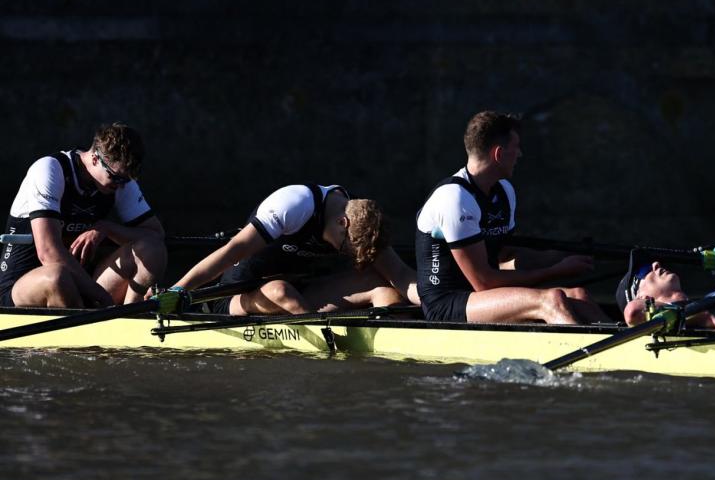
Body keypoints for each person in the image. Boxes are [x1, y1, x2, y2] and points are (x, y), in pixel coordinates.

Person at [415, 110, 608, 324]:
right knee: (551, 300)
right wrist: (556, 271)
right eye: (516, 148)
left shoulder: (504, 191)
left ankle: (624, 345)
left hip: (482, 297)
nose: (520, 154)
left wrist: (558, 256)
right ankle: (589, 357)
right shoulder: (454, 198)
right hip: (446, 305)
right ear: (498, 154)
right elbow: (484, 282)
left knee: (578, 295)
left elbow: (505, 256)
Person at [170, 184, 418, 315]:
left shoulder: (363, 219)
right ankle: (319, 336)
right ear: (342, 224)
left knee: (382, 283)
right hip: (238, 295)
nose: (350, 257)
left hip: (302, 291)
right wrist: (178, 290)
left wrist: (442, 303)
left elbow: (402, 275)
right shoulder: (294, 205)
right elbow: (232, 252)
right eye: (349, 251)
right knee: (281, 290)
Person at [0, 123, 167, 308]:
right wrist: (103, 298)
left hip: (84, 289)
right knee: (57, 276)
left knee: (153, 248)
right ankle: (99, 318)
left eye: (126, 180)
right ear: (95, 159)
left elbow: (155, 235)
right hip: (22, 286)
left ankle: (130, 316)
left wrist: (107, 228)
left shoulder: (119, 179)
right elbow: (48, 253)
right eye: (117, 178)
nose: (121, 185)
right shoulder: (50, 170)